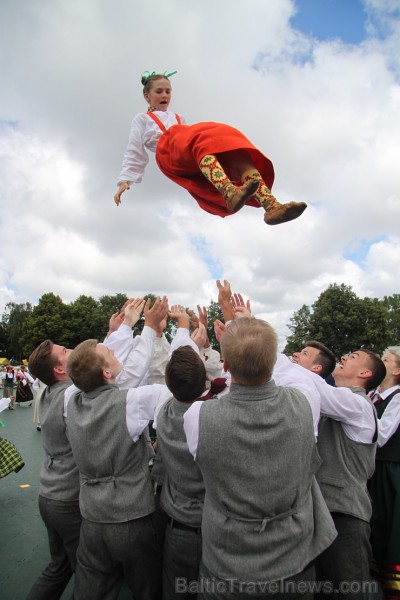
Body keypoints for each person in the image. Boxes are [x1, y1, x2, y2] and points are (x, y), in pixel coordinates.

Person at [183, 317, 337, 599]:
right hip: (294, 556)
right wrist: (242, 328)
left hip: (227, 560)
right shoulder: (305, 400)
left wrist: (232, 341)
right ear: (274, 362)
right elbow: (291, 373)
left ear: (225, 365)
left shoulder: (197, 416)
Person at [64, 305, 206, 600]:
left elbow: (106, 372)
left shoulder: (71, 400)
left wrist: (131, 327)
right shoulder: (130, 402)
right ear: (105, 371)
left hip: (91, 516)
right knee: (147, 589)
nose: (117, 354)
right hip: (131, 518)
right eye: (113, 354)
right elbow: (183, 381)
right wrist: (167, 331)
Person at [114, 71, 307, 226]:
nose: (165, 95)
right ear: (147, 96)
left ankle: (271, 206)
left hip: (185, 146)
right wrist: (125, 180)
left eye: (168, 91)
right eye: (159, 92)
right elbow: (134, 149)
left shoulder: (179, 118)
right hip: (168, 151)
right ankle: (229, 191)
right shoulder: (142, 120)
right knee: (203, 140)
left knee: (234, 152)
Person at [26, 339, 81, 600]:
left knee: (58, 567)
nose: (72, 350)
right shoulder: (71, 396)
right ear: (59, 370)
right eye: (65, 351)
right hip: (68, 500)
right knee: (88, 572)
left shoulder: (50, 392)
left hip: (49, 494)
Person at [368, 346, 400, 599]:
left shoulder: (398, 397)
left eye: (386, 360)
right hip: (371, 470)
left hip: (389, 472)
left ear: (397, 370)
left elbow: (381, 435)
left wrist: (355, 411)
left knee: (388, 529)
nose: (380, 361)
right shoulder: (371, 395)